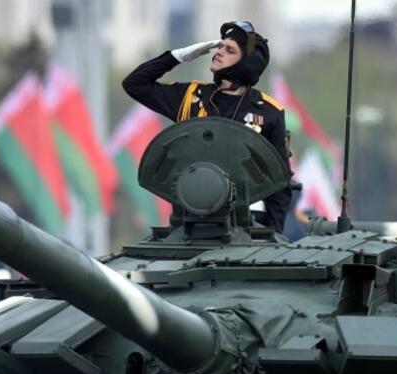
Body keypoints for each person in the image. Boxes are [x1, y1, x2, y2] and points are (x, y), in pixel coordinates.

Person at [122, 20, 292, 229]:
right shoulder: (191, 96)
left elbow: (280, 182)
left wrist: (272, 235)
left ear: (247, 63)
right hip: (190, 220)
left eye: (229, 49)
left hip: (246, 225)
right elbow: (134, 84)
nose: (219, 52)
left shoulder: (268, 112)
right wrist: (176, 57)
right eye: (220, 46)